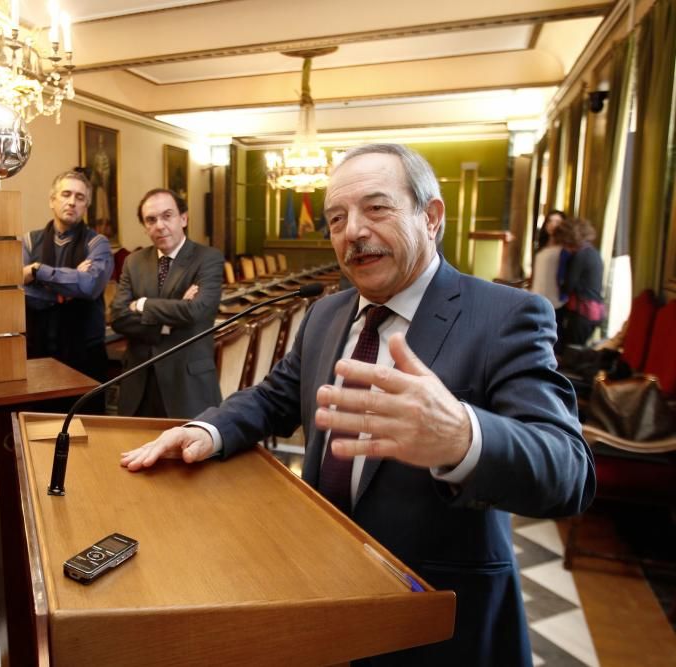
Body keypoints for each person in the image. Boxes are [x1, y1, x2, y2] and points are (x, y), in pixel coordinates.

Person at [120, 144, 595, 666]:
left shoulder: (505, 315)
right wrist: (209, 430)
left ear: (431, 216)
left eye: (377, 208)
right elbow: (275, 396)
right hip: (324, 591)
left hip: (439, 615)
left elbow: (568, 472)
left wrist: (464, 436)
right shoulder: (326, 314)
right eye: (337, 219)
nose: (354, 232)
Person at [109, 188, 223, 418]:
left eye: (167, 215)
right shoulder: (134, 261)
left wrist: (142, 304)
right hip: (139, 383)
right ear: (145, 226)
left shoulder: (208, 258)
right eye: (151, 219)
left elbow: (196, 311)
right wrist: (167, 323)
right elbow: (118, 316)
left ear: (183, 218)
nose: (159, 225)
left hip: (187, 385)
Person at [22, 170, 114, 408]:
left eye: (80, 197)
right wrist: (67, 289)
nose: (72, 201)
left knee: (88, 430)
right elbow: (18, 291)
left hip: (86, 355)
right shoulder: (29, 241)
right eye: (66, 194)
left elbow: (90, 286)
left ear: (87, 205)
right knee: (41, 429)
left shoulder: (98, 243)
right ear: (52, 200)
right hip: (38, 351)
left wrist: (37, 271)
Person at [558, 217, 605, 348]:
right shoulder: (593, 252)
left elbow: (569, 285)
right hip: (596, 310)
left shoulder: (579, 256)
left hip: (582, 312)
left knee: (571, 352)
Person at [529, 210, 566, 310]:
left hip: (555, 302)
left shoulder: (565, 248)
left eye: (557, 222)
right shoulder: (542, 246)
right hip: (536, 296)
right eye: (550, 221)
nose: (552, 225)